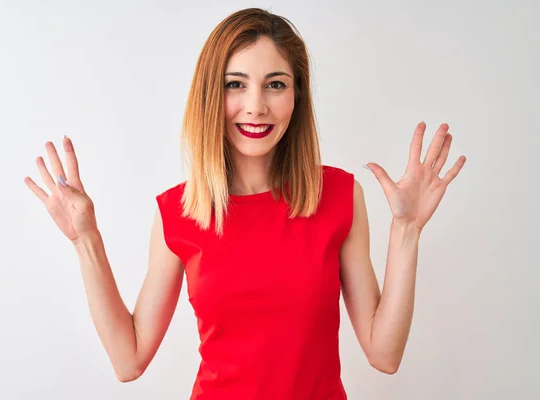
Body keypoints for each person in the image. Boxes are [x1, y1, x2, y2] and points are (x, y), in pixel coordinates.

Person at [24, 7, 466, 400]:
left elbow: (384, 354)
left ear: (297, 96)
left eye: (275, 84)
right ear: (211, 97)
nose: (256, 106)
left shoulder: (340, 197)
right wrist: (86, 239)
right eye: (235, 84)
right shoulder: (178, 212)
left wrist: (407, 230)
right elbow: (129, 360)